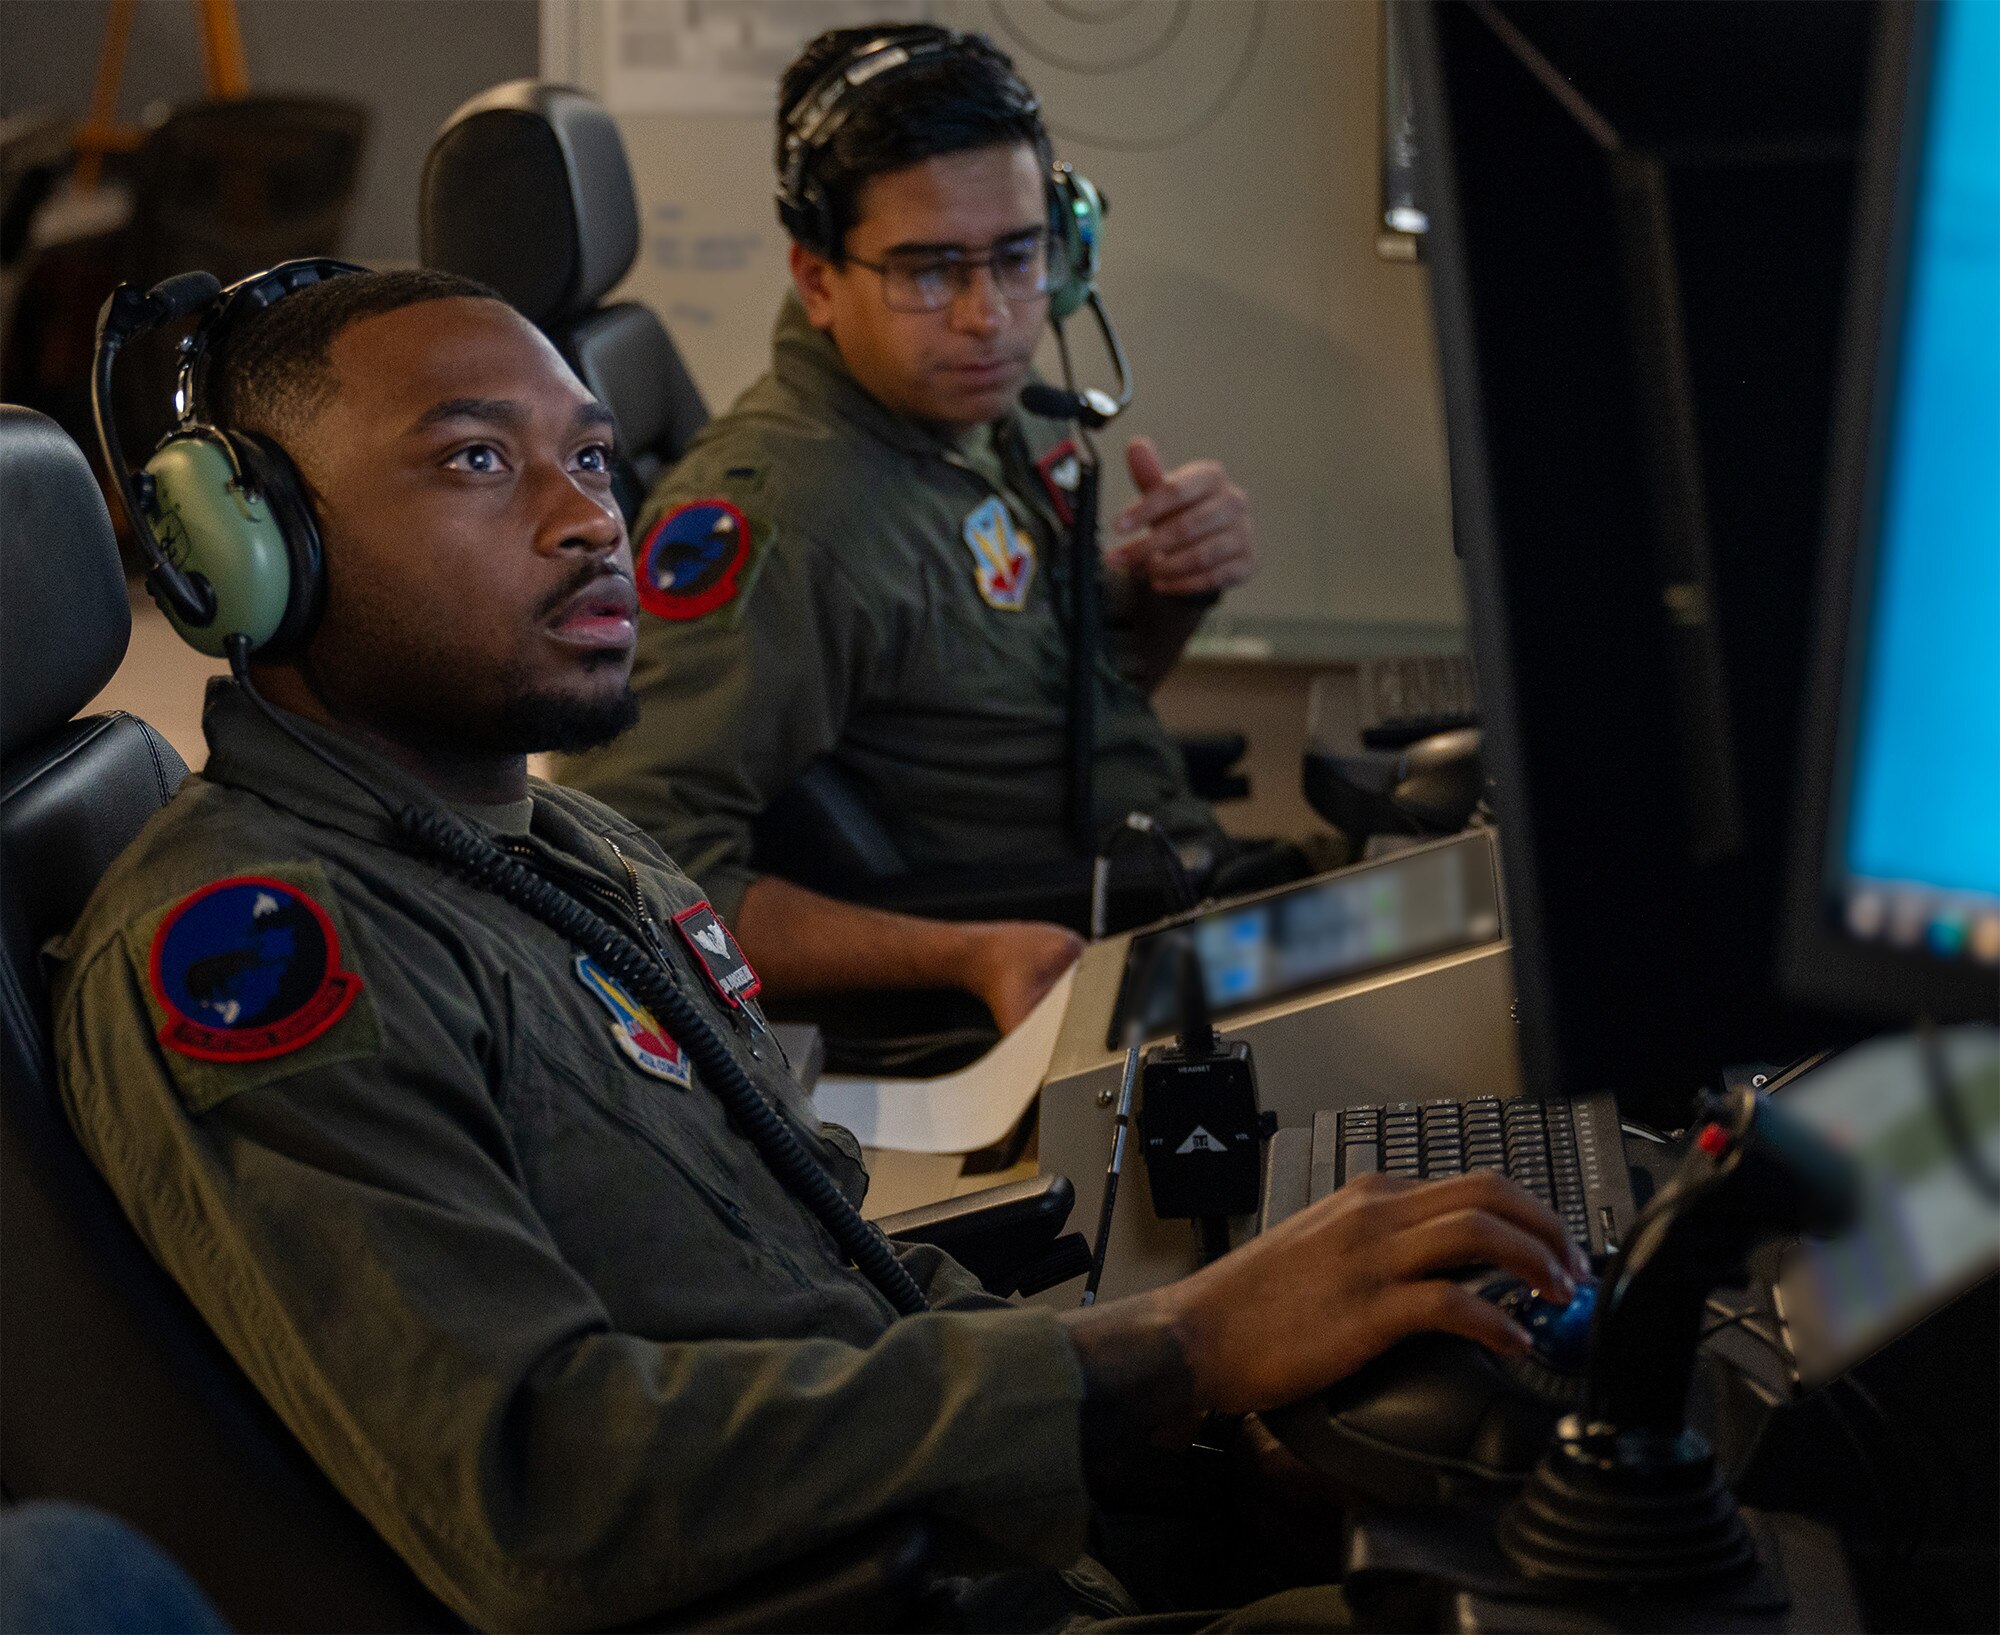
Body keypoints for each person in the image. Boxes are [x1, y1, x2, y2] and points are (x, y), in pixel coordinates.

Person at [53, 268, 1585, 1631]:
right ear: (248, 553)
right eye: (473, 459)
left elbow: (820, 1273)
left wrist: (1187, 1450)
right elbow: (540, 1482)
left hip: (997, 1545)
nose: (592, 516)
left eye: (590, 455)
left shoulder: (573, 849)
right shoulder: (254, 954)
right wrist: (1170, 1350)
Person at [562, 26, 1280, 1034]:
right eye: (928, 270)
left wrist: (1172, 595)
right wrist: (959, 956)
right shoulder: (783, 519)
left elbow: (1034, 719)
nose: (988, 317)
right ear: (816, 279)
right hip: (1083, 970)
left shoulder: (981, 416)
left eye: (1017, 255)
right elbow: (625, 868)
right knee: (1475, 953)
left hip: (1172, 901)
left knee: (1471, 903)